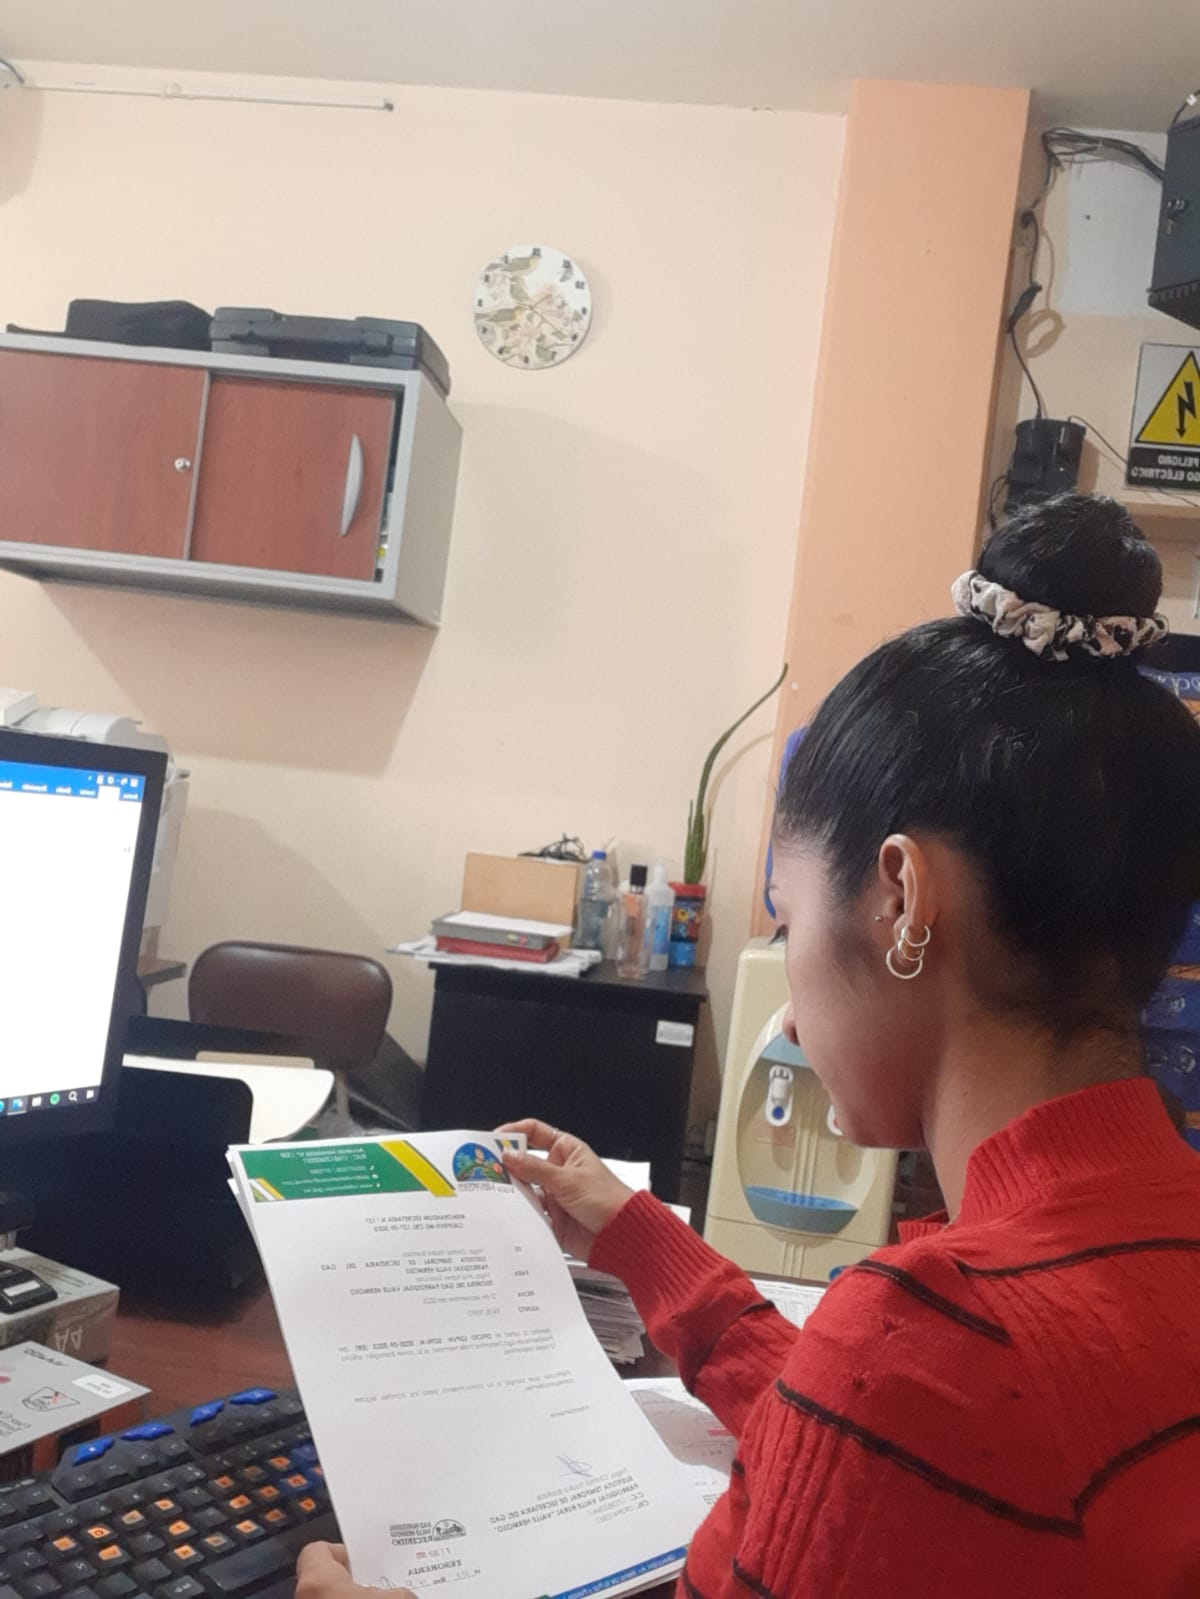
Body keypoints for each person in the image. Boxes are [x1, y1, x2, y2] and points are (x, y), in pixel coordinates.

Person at [297, 494, 1200, 1599]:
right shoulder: (1094, 1282)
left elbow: (894, 1410)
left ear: (902, 899)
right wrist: (638, 1239)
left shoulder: (944, 1340)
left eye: (786, 916)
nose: (791, 1018)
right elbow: (874, 1443)